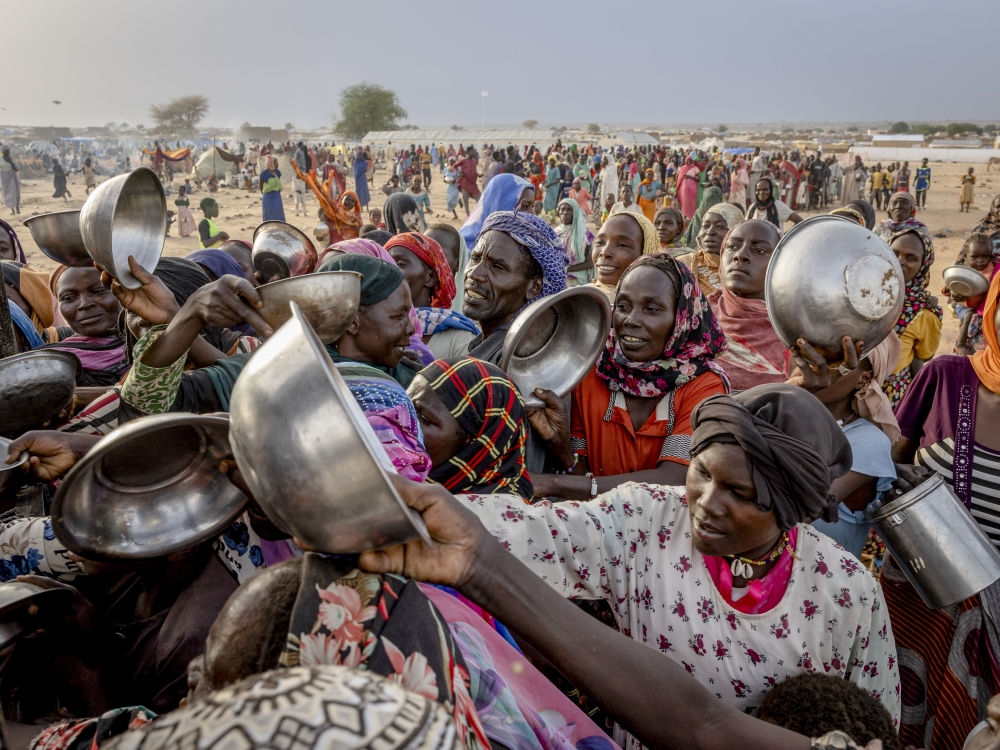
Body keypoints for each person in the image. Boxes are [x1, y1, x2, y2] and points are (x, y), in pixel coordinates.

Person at [363, 382, 900, 745]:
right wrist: (411, 506)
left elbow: (875, 728)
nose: (707, 502)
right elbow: (539, 531)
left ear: (789, 510)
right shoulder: (647, 520)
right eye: (703, 474)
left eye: (738, 492)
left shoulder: (846, 593)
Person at [888, 269, 1000, 747]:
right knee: (898, 717)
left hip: (995, 618)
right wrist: (899, 482)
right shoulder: (945, 377)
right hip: (915, 595)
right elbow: (886, 458)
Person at [529, 253, 729, 499]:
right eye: (623, 306)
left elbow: (675, 480)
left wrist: (550, 484)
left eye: (652, 309)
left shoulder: (703, 385)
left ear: (682, 318)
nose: (631, 320)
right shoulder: (594, 371)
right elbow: (580, 475)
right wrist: (561, 445)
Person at [408, 356, 533, 500]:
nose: (397, 416)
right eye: (404, 401)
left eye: (423, 418)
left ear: (474, 443)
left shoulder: (490, 514)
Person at [707, 220, 789, 390]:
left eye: (759, 250)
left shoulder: (794, 327)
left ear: (780, 263)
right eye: (732, 247)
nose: (740, 255)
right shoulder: (696, 318)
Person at [385, 232, 477, 359]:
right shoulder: (377, 328)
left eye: (400, 264)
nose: (389, 271)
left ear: (430, 277)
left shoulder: (459, 337)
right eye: (386, 264)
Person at [882, 224, 942, 407]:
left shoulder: (925, 312)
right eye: (895, 252)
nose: (900, 261)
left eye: (911, 258)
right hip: (849, 383)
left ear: (923, 265)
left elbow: (923, 355)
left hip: (890, 395)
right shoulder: (863, 290)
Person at [44, 266, 129, 386]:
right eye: (69, 298)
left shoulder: (154, 343)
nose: (84, 304)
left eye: (98, 291)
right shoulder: (52, 364)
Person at [676, 200, 744, 297]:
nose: (710, 232)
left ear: (736, 232)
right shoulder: (683, 264)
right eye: (706, 226)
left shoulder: (745, 269)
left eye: (720, 226)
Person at [458, 173, 534, 252]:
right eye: (525, 206)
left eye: (533, 206)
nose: (532, 214)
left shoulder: (528, 247)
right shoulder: (463, 253)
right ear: (502, 207)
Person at [554, 197, 594, 286]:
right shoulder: (554, 233)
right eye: (562, 209)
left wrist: (567, 269)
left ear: (575, 212)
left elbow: (590, 263)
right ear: (559, 212)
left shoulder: (585, 234)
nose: (565, 213)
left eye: (569, 210)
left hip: (578, 281)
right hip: (558, 279)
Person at [454, 149, 481, 217]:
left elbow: (473, 171)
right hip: (465, 182)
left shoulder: (474, 161)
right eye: (473, 151)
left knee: (479, 198)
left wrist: (478, 175)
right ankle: (468, 215)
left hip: (472, 183)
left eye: (474, 151)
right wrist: (459, 172)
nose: (474, 152)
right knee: (465, 200)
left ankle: (478, 213)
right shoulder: (463, 160)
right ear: (468, 152)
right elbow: (454, 166)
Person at [258, 156, 285, 222]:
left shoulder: (277, 172)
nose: (277, 163)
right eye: (275, 162)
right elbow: (260, 184)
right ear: (271, 163)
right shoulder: (264, 173)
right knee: (269, 212)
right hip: (268, 196)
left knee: (278, 211)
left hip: (276, 195)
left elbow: (278, 182)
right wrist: (263, 192)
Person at [1, 146, 21, 215]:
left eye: (8, 151)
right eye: (7, 151)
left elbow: (16, 169)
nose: (8, 152)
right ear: (3, 152)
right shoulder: (0, 159)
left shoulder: (11, 158)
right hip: (4, 178)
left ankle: (17, 208)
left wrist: (11, 162)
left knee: (15, 192)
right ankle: (12, 209)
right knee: (7, 193)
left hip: (12, 176)